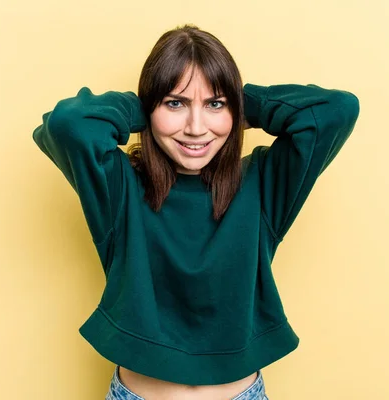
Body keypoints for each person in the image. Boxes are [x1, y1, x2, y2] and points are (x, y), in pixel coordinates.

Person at [32, 24, 359, 400]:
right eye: (175, 103)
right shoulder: (119, 189)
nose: (196, 127)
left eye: (214, 104)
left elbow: (337, 110)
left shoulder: (262, 184)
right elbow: (68, 124)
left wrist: (238, 100)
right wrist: (148, 105)